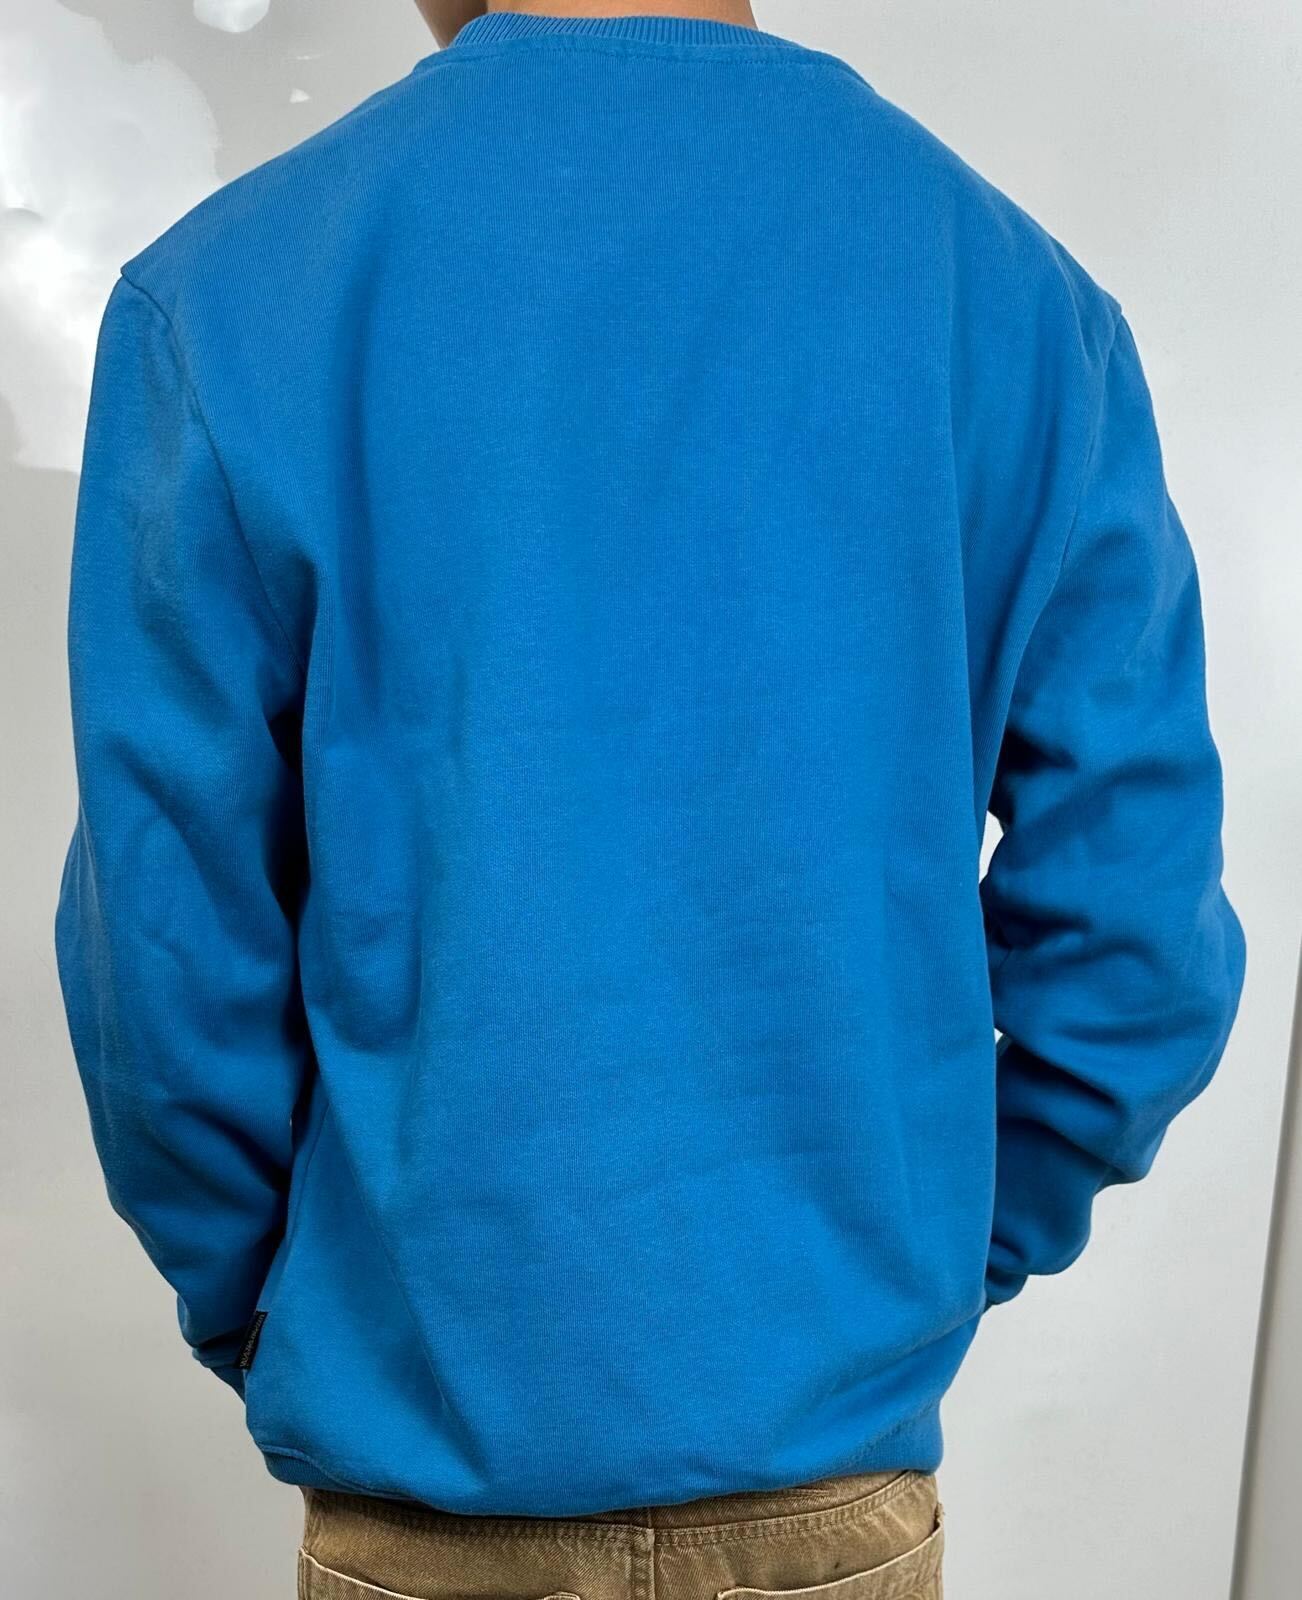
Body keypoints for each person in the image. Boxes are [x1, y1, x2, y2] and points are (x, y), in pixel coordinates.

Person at [54, 3, 1246, 1595]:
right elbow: (1133, 950)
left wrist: (285, 1309)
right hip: (826, 1488)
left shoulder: (225, 293)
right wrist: (903, 1273)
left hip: (424, 1495)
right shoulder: (1018, 305)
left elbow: (164, 946)